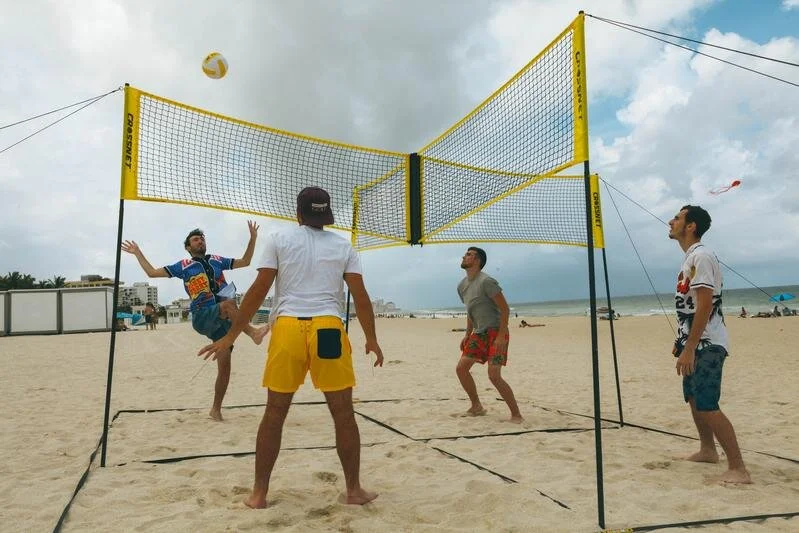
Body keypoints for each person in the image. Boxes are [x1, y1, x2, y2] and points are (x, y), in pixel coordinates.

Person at [198, 187, 383, 509]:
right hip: (328, 328)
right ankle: (353, 490)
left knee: (274, 413)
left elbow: (258, 290)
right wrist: (372, 338)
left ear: (299, 213)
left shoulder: (279, 239)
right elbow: (361, 297)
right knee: (343, 414)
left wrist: (231, 336)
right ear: (326, 214)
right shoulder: (343, 245)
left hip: (287, 329)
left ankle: (259, 495)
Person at [121, 221, 270, 421]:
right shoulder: (184, 266)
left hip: (221, 319)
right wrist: (138, 252)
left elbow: (245, 261)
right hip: (202, 315)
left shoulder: (217, 260)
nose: (200, 241)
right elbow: (152, 272)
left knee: (225, 366)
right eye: (195, 239)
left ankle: (215, 409)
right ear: (188, 247)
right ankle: (253, 333)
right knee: (229, 305)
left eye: (202, 239)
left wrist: (252, 239)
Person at [668, 205, 750, 484]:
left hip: (709, 344)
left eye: (677, 218)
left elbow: (705, 304)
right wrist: (682, 341)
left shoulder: (701, 256)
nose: (671, 221)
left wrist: (691, 346)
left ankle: (738, 467)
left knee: (707, 403)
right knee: (693, 398)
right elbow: (689, 307)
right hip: (694, 341)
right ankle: (707, 450)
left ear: (691, 226)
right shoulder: (690, 259)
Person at [456, 247, 523, 423]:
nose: (464, 256)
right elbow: (471, 311)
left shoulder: (487, 281)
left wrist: (501, 335)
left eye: (469, 254)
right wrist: (467, 334)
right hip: (478, 333)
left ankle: (516, 414)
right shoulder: (461, 286)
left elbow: (505, 309)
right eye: (466, 254)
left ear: (477, 261)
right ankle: (476, 406)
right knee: (461, 369)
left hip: (496, 331)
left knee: (494, 376)